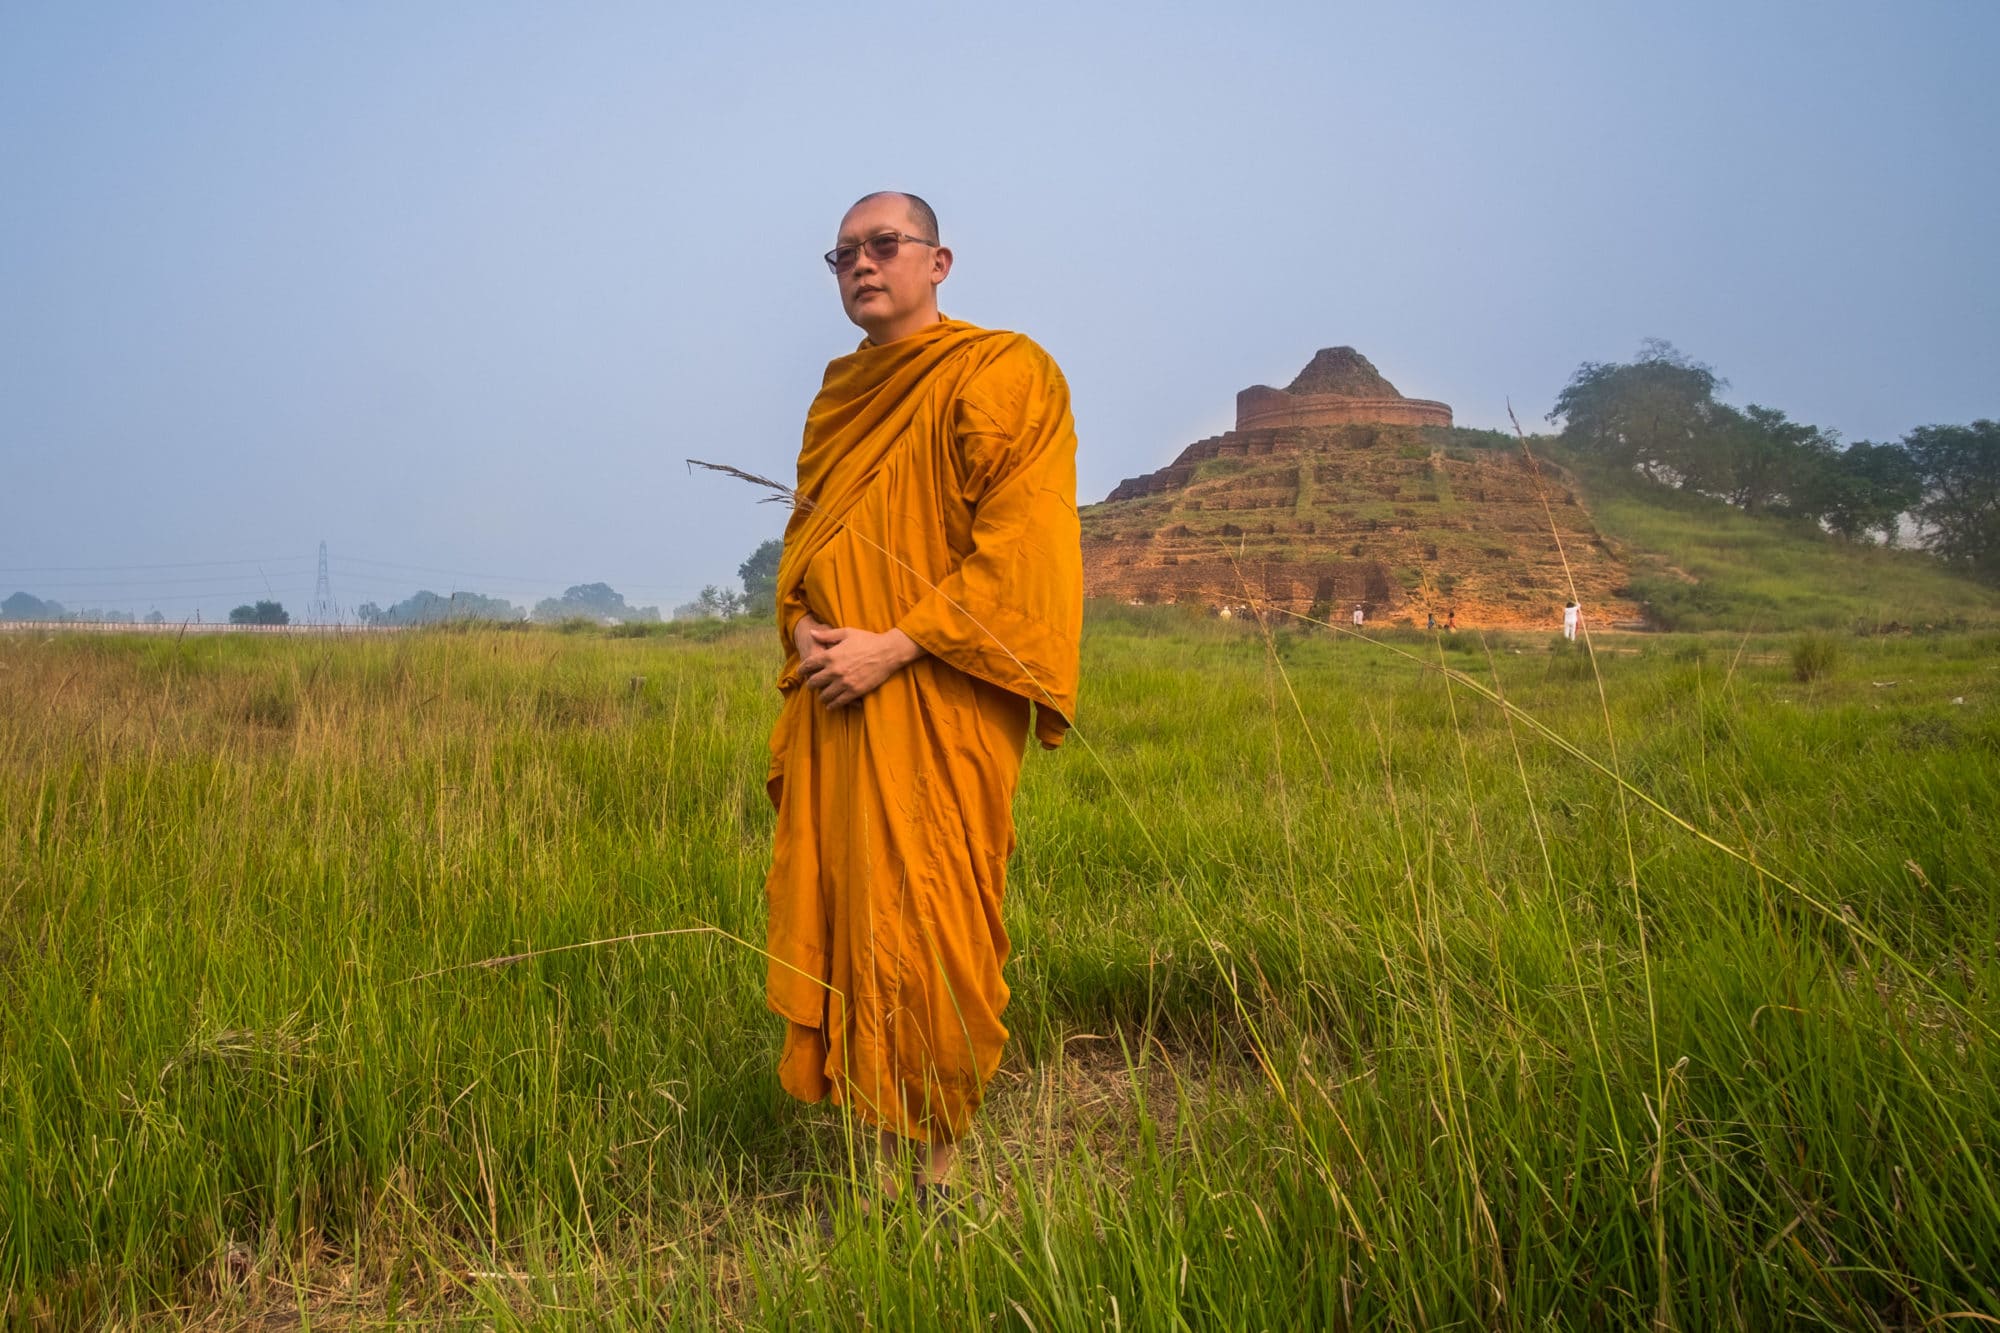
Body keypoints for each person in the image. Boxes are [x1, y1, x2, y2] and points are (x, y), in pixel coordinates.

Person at [762, 191, 1083, 1212]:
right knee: (854, 900)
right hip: (837, 695)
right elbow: (807, 545)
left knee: (937, 906)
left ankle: (938, 1162)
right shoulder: (837, 397)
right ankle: (875, 1144)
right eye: (843, 252)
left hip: (939, 691)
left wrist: (894, 645)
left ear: (938, 261)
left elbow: (1022, 553)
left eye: (883, 245)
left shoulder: (1005, 373)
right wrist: (804, 631)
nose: (862, 263)